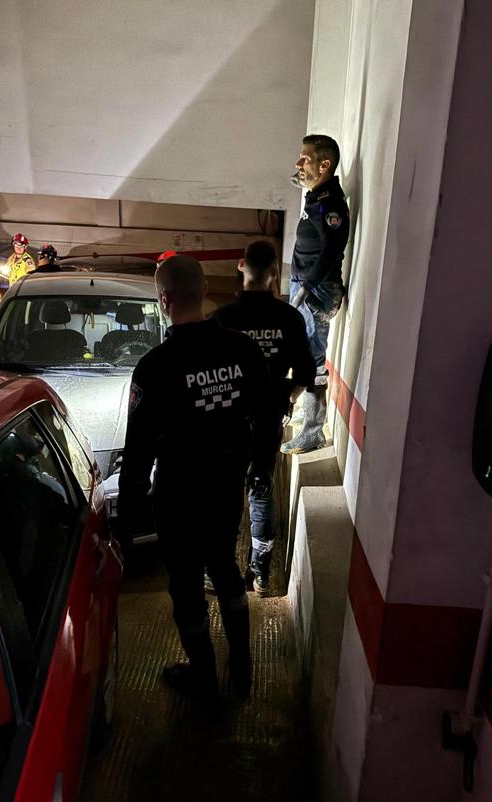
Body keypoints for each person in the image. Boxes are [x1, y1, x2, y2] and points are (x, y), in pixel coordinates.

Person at [117, 255, 272, 697]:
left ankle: (203, 674)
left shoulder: (155, 366)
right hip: (226, 485)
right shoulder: (244, 351)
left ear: (164, 300)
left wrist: (128, 523)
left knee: (186, 584)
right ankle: (242, 671)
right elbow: (268, 416)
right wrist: (261, 467)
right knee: (225, 567)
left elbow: (138, 453)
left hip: (179, 495)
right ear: (205, 291)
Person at [213, 240, 315, 595]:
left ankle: (220, 572)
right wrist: (284, 400)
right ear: (275, 274)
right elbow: (304, 372)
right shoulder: (289, 318)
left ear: (241, 266)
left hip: (226, 422)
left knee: (226, 493)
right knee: (260, 489)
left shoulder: (222, 320)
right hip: (268, 418)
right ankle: (260, 573)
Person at [281, 134, 350, 455]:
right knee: (303, 354)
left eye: (304, 159)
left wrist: (307, 288)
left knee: (313, 360)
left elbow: (332, 249)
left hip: (316, 289)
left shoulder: (331, 204)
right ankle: (307, 418)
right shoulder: (317, 195)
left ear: (324, 164)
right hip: (305, 283)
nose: (298, 163)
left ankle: (313, 431)